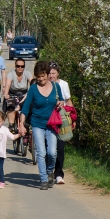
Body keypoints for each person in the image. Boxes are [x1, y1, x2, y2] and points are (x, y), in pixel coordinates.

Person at [17, 61, 64, 189]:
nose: (41, 79)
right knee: (41, 152)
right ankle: (43, 179)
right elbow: (25, 109)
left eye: (43, 75)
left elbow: (61, 100)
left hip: (52, 124)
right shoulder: (33, 89)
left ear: (48, 74)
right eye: (39, 76)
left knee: (52, 153)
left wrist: (60, 103)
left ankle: (50, 172)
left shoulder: (55, 87)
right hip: (37, 124)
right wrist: (21, 125)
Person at [49, 62, 74, 185]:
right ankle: (48, 172)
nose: (51, 75)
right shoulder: (44, 85)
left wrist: (72, 119)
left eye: (53, 73)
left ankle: (58, 173)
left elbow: (68, 102)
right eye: (49, 73)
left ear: (58, 73)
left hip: (60, 120)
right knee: (49, 149)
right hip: (48, 120)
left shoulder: (64, 85)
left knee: (60, 148)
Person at [3, 58, 32, 128]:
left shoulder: (27, 73)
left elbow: (32, 82)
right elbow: (8, 85)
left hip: (24, 94)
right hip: (12, 94)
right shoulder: (11, 74)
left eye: (22, 66)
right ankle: (11, 125)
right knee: (10, 107)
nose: (20, 68)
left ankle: (26, 123)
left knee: (29, 107)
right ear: (15, 66)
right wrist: (6, 93)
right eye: (18, 66)